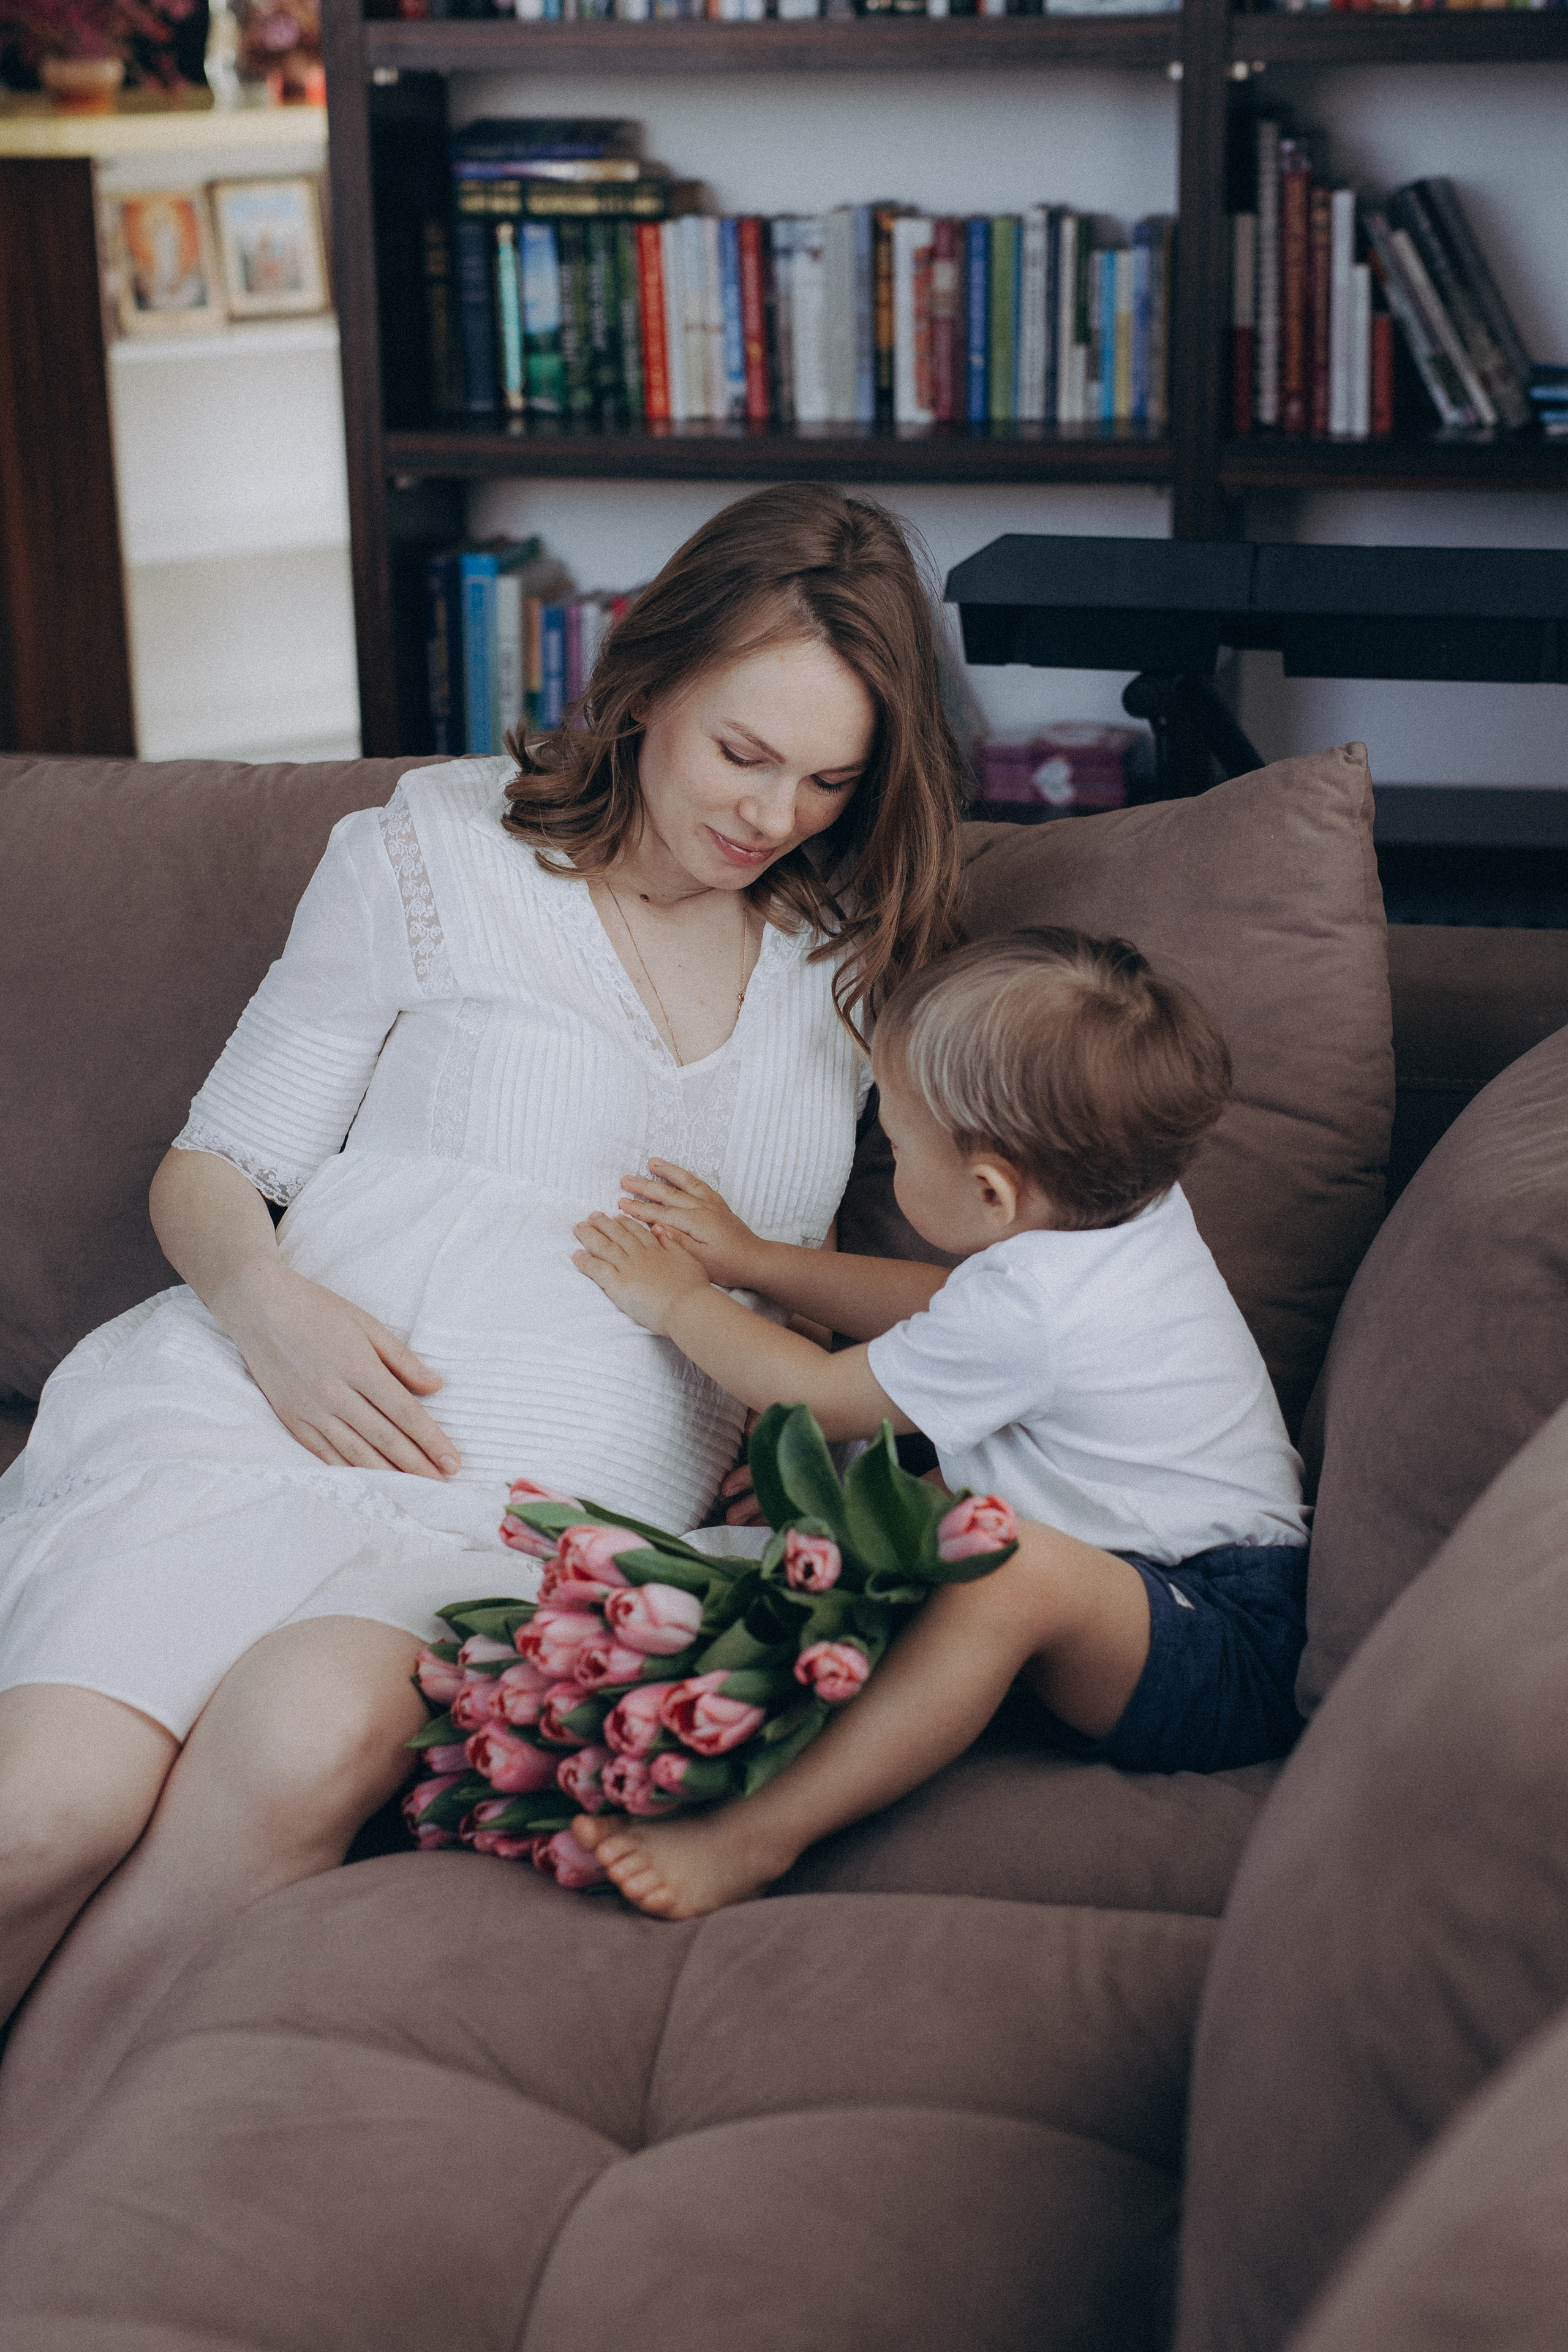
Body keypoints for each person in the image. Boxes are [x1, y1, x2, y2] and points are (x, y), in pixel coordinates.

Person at [0, 484, 966, 2185]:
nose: (774, 815)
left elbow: (844, 1278)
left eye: (829, 783)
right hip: (264, 1419)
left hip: (537, 1522)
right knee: (44, 1812)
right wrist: (270, 1311)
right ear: (647, 680)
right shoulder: (435, 849)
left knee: (311, 1743)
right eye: (746, 753)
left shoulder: (850, 963)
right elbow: (217, 1167)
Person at [570, 925, 1311, 1921]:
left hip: (1220, 1640)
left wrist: (676, 1303)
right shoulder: (1114, 1217)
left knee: (1010, 1570)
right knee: (906, 1523)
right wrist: (756, 1261)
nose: (887, 1154)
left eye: (899, 1140)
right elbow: (949, 1303)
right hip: (1168, 1592)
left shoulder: (1039, 1310)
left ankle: (758, 1835)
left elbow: (814, 1393)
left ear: (993, 1191)